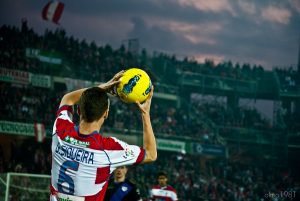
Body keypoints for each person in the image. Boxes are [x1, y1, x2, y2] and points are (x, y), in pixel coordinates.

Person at [50, 70, 157, 201]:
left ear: (78, 110)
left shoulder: (60, 131)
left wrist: (102, 87)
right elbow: (151, 154)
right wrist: (145, 114)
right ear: (106, 113)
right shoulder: (109, 149)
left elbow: (68, 99)